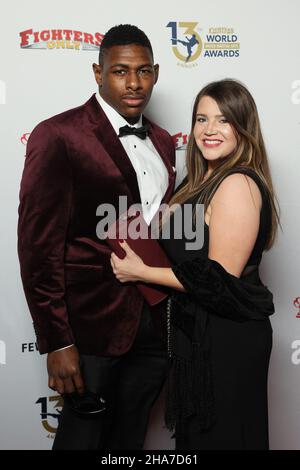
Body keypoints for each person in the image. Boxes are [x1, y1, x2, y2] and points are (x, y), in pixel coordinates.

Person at [17, 24, 176, 450]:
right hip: (89, 328)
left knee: (129, 442)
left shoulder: (162, 140)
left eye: (143, 71)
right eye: (121, 71)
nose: (134, 83)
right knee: (81, 442)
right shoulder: (58, 135)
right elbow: (38, 248)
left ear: (156, 73)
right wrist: (58, 341)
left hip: (154, 326)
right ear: (97, 72)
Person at [110, 79, 279, 450]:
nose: (209, 130)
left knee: (223, 438)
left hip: (228, 339)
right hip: (198, 337)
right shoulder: (197, 182)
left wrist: (140, 272)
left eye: (223, 120)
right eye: (201, 119)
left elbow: (217, 279)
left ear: (243, 127)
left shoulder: (236, 182)